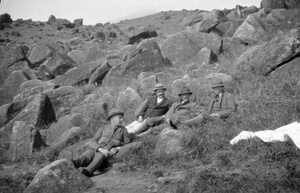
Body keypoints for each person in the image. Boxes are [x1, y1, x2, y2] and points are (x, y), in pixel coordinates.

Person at [71, 108, 131, 177]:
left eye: (122, 118)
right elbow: (93, 141)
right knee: (86, 155)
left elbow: (127, 144)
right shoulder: (103, 128)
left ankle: (86, 173)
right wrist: (100, 149)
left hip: (106, 154)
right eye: (119, 118)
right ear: (112, 119)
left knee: (100, 155)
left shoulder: (123, 130)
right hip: (95, 149)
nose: (122, 120)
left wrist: (117, 148)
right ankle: (71, 164)